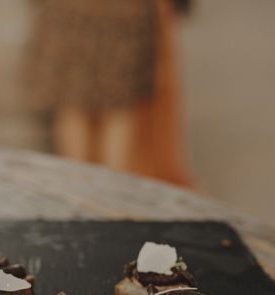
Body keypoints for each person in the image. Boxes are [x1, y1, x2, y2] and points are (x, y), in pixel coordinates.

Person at [34, 0, 189, 184]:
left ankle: (80, 186)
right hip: (126, 12)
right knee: (118, 107)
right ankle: (111, 187)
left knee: (73, 103)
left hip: (71, 10)